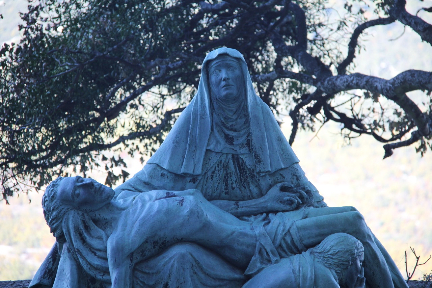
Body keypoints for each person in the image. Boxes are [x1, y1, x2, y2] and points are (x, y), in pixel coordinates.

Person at [115, 47, 408, 288]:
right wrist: (103, 202)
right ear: (207, 81)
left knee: (350, 230)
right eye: (217, 71)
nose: (225, 76)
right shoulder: (191, 129)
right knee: (354, 222)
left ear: (244, 77)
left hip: (280, 222)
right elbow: (144, 190)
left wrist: (318, 208)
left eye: (231, 69)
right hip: (253, 236)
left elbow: (297, 180)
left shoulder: (260, 118)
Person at [38, 176, 367, 288]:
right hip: (260, 250)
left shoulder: (131, 198)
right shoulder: (120, 244)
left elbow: (203, 206)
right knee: (352, 223)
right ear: (80, 215)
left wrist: (262, 201)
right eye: (77, 192)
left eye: (79, 178)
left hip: (262, 223)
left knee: (353, 219)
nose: (87, 183)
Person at [243, 233, 366, 288]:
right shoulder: (324, 279)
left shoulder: (305, 259)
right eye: (359, 262)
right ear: (349, 260)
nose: (360, 269)